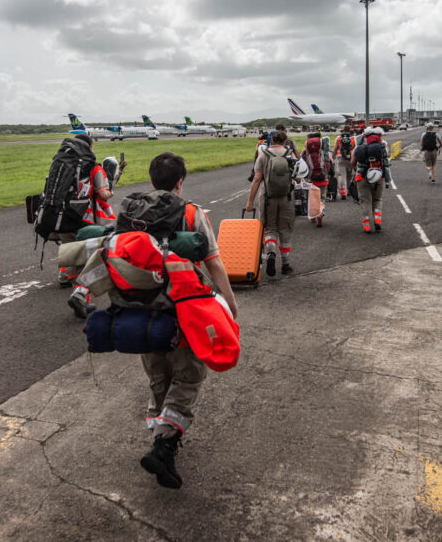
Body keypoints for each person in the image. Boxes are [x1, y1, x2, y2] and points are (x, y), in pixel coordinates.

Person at [139, 153, 238, 489]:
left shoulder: (134, 212)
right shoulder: (192, 213)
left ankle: (160, 439)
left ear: (152, 180)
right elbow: (213, 262)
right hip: (183, 311)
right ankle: (164, 446)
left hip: (142, 311)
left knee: (158, 377)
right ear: (180, 182)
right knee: (188, 376)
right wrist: (230, 304)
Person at [57, 133, 115, 287]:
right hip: (84, 217)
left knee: (68, 246)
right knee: (86, 250)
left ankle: (64, 275)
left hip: (61, 215)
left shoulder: (62, 165)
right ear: (89, 147)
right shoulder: (94, 167)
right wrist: (111, 191)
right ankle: (81, 286)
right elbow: (103, 195)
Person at [245, 130, 296, 275]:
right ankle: (285, 264)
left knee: (269, 229)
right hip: (286, 197)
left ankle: (271, 253)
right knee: (285, 229)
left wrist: (250, 202)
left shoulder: (263, 155)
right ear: (285, 141)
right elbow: (297, 177)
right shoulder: (290, 154)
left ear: (271, 140)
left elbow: (256, 179)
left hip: (267, 197)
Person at [353, 127, 392, 233]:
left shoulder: (360, 146)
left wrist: (356, 170)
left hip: (362, 177)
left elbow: (353, 161)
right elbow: (386, 164)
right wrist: (387, 180)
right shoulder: (382, 146)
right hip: (379, 177)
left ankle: (366, 226)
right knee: (377, 199)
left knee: (365, 201)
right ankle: (377, 221)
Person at [300, 132, 331, 225]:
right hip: (323, 177)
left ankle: (313, 216)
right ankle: (320, 213)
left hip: (311, 178)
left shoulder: (305, 151)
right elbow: (329, 162)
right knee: (322, 197)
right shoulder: (323, 151)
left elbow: (301, 163)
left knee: (312, 197)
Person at [333, 125, 355, 200]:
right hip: (351, 159)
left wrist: (332, 157)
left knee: (342, 176)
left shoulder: (339, 138)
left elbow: (335, 149)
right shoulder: (353, 138)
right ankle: (348, 189)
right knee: (350, 176)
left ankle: (343, 192)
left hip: (341, 158)